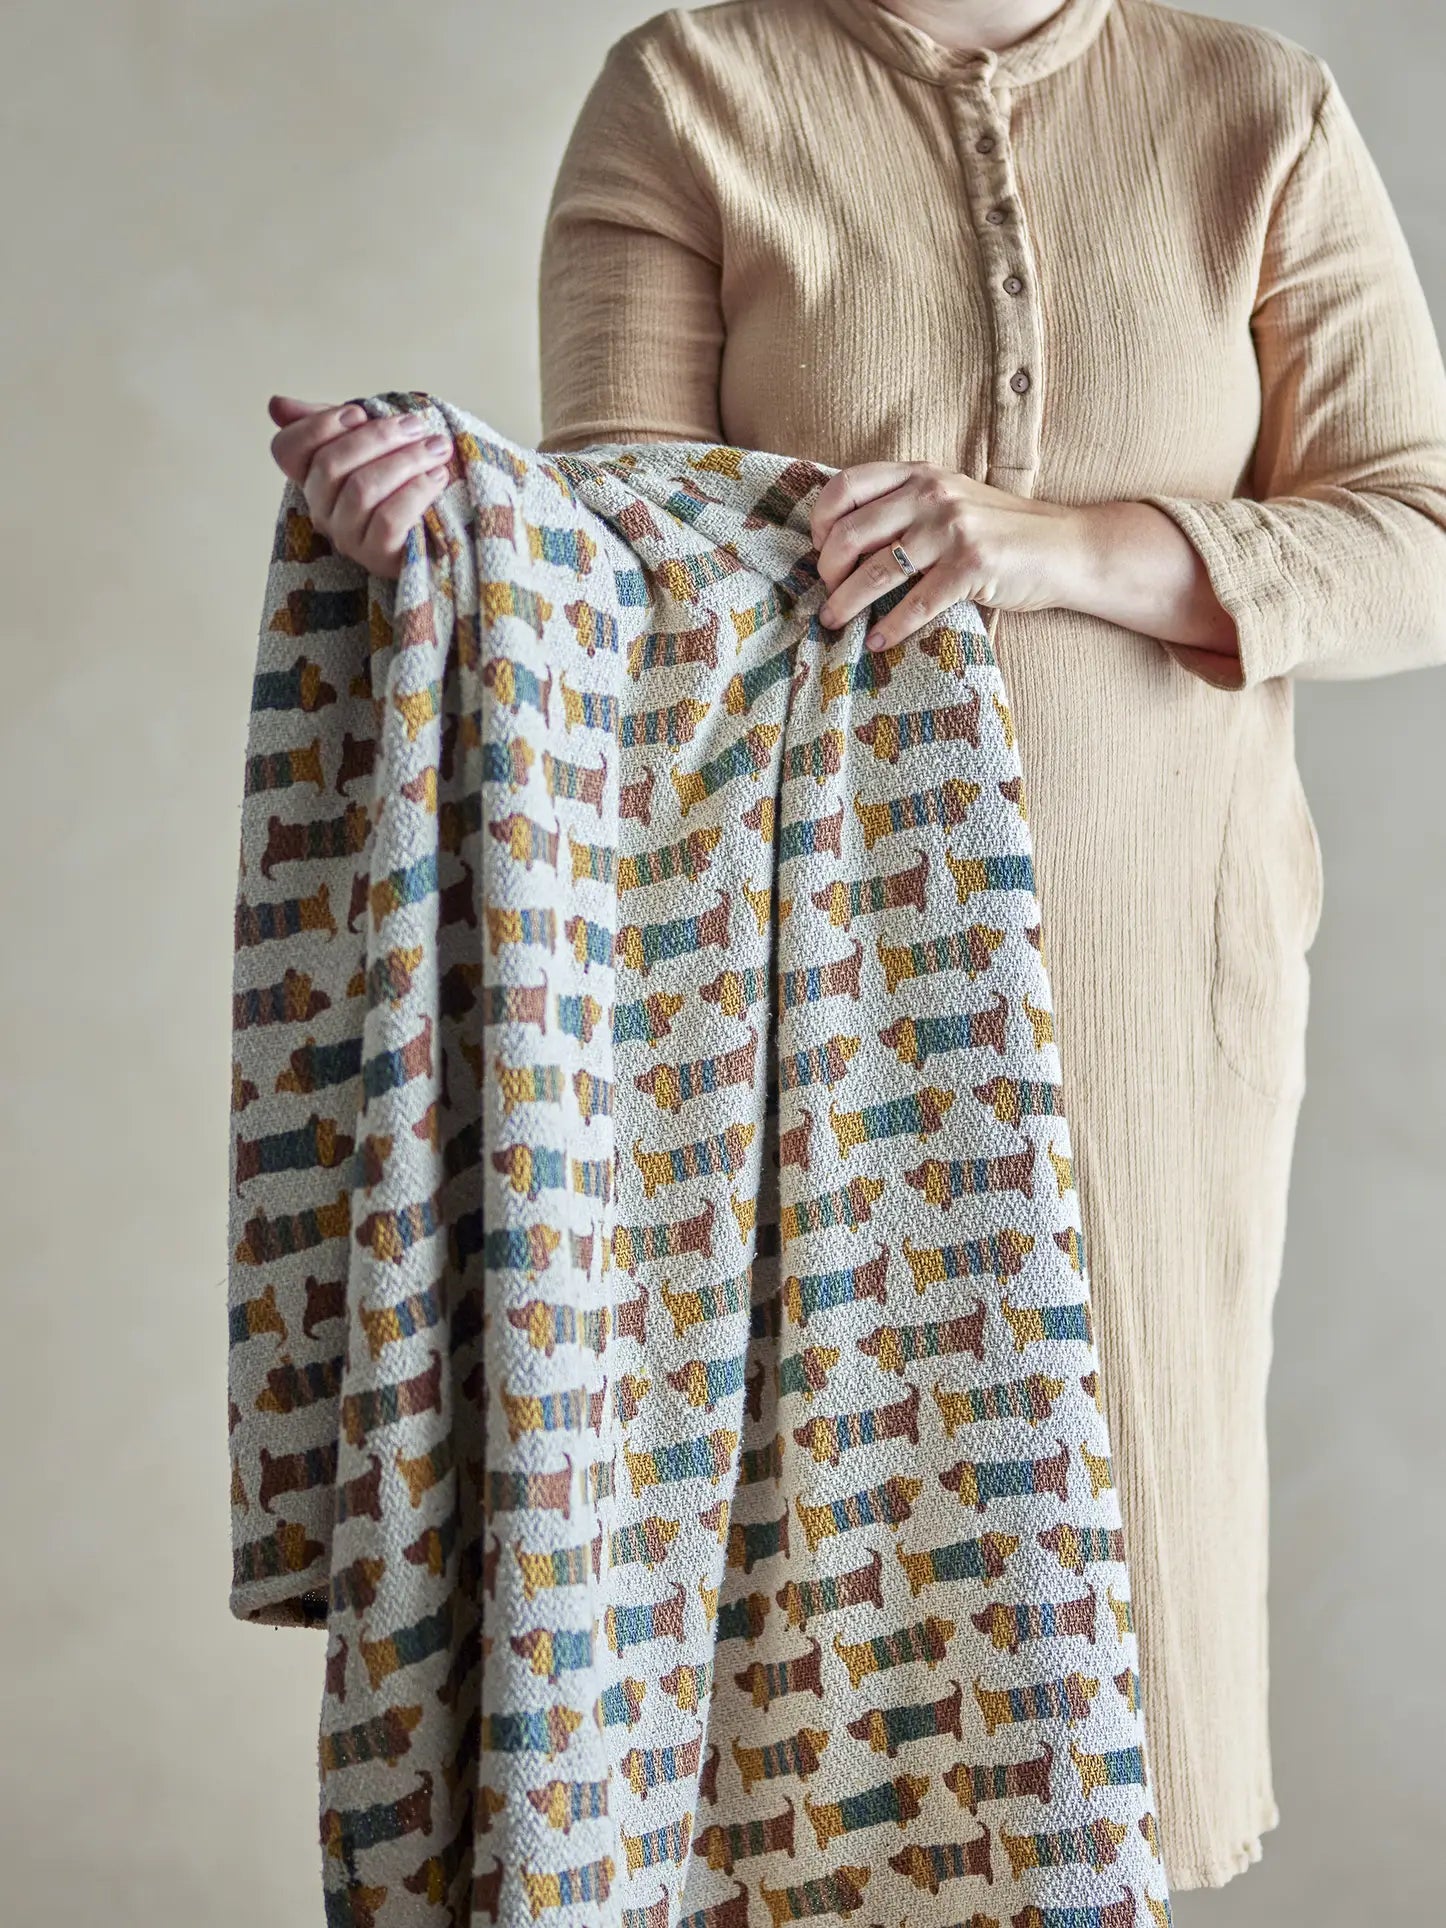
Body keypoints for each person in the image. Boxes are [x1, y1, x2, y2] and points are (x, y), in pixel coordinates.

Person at [265, 0, 1446, 1893]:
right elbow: (617, 570)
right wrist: (443, 513)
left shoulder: (1253, 111)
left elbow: (1416, 532)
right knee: (808, 1674)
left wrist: (1055, 544)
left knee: (1115, 1639)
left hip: (1149, 1006)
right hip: (789, 1003)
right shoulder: (694, 90)